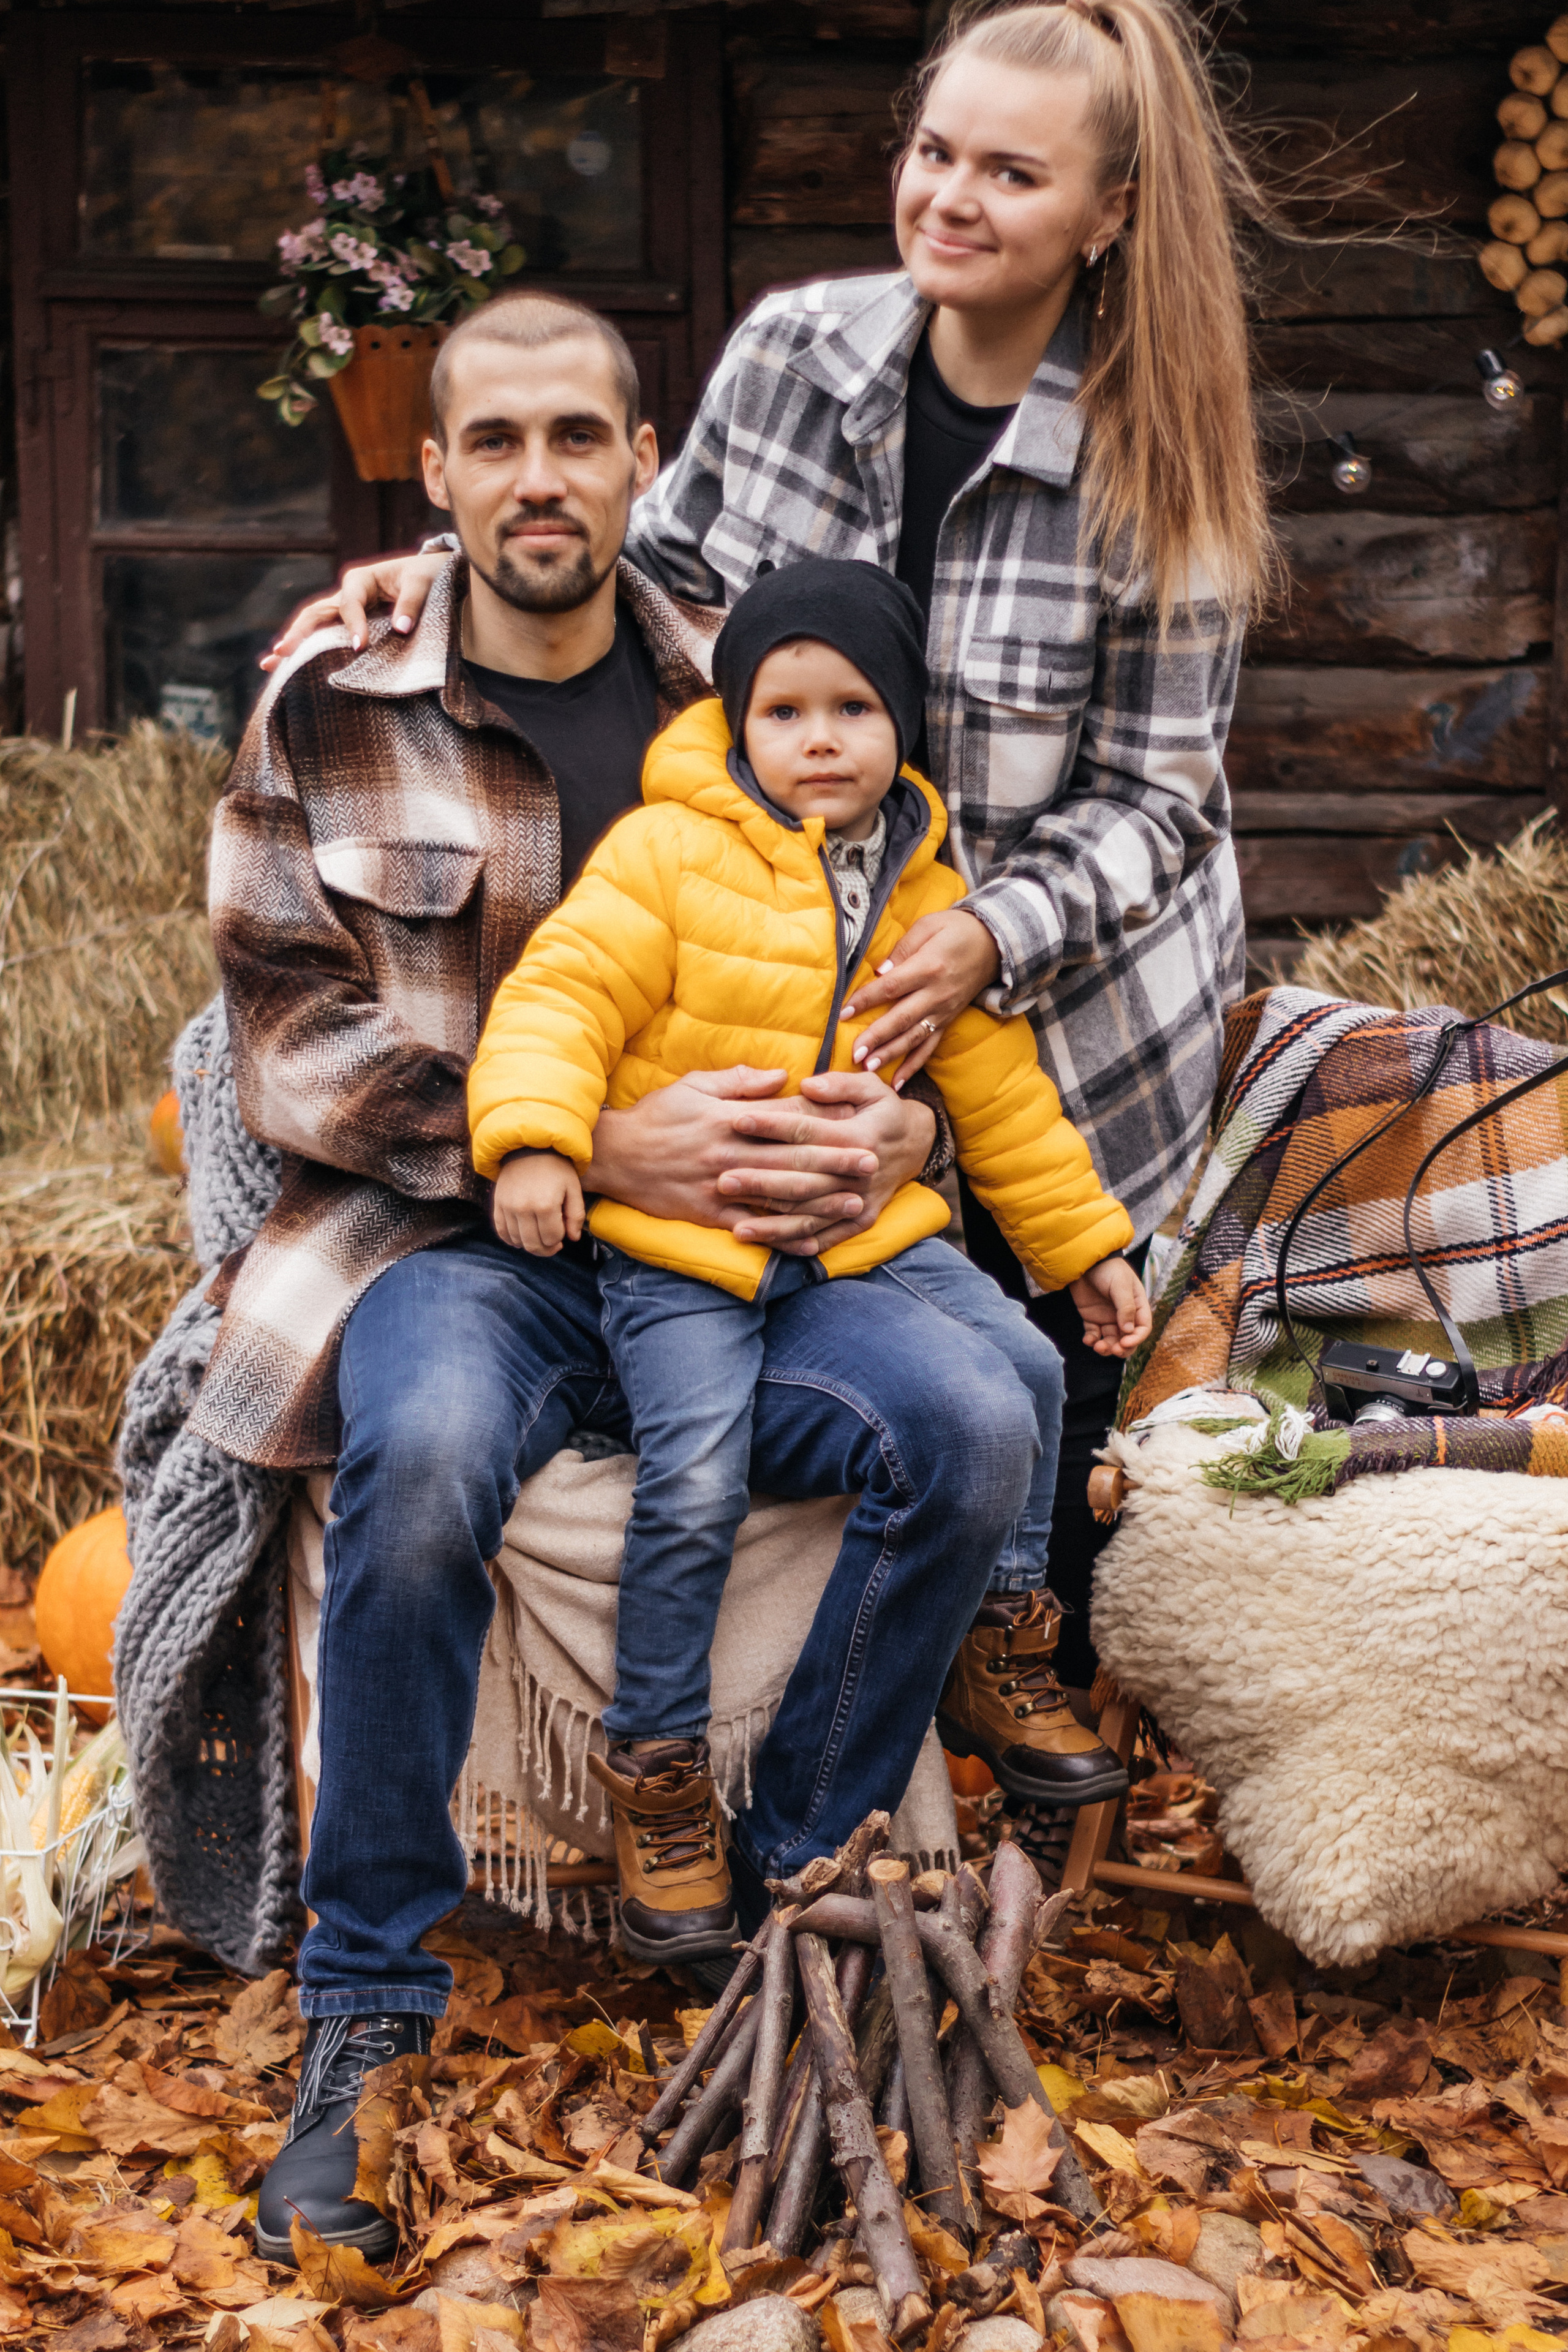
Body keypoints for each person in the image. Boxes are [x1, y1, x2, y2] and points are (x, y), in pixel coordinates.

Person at [268, 0, 1276, 1823]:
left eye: (1010, 172)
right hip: (789, 929)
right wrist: (440, 580)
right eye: (933, 150)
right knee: (840, 1300)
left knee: (1022, 1363)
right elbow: (653, 586)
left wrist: (990, 932)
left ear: (1110, 213)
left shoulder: (1166, 460)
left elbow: (1162, 804)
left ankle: (988, 1666)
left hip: (1047, 982)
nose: (948, 196)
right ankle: (774, 1781)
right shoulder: (802, 349)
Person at [209, 288, 1058, 2270]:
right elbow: (289, 1047)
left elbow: (909, 982)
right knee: (417, 1470)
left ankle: (783, 1896)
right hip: (459, 1251)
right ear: (434, 474)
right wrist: (582, 1144)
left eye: (573, 437)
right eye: (491, 442)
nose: (535, 479)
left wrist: (900, 1136)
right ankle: (366, 2005)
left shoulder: (767, 679)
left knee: (967, 1425)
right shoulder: (331, 702)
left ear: (640, 456)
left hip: (758, 1262)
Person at [471, 555, 1151, 1958]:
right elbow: (561, 992)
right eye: (782, 711)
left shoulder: (918, 889)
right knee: (698, 1470)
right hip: (681, 1252)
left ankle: (998, 1640)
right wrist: (539, 1140)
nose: (818, 739)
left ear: (902, 724)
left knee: (1023, 1362)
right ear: (737, 728)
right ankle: (655, 1772)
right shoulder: (665, 852)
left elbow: (1000, 1088)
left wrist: (1083, 1247)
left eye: (852, 707)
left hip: (854, 1242)